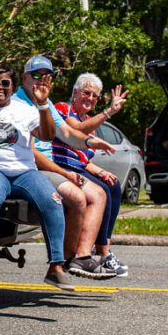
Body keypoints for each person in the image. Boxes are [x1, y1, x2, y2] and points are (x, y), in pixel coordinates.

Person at [0, 63, 77, 290]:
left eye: (5, 83)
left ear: (13, 86)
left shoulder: (26, 111)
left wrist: (42, 105)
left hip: (25, 173)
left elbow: (48, 136)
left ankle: (56, 267)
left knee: (53, 200)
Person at [12, 57, 118, 280]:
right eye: (36, 75)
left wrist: (90, 142)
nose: (42, 80)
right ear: (24, 78)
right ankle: (63, 261)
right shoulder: (17, 105)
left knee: (100, 193)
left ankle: (81, 256)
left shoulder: (46, 103)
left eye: (46, 76)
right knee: (77, 197)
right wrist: (65, 173)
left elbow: (69, 133)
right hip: (32, 168)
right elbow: (32, 153)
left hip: (50, 167)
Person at [52, 73, 129, 277]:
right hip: (60, 166)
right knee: (101, 191)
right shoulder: (62, 108)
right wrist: (109, 112)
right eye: (87, 93)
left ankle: (104, 251)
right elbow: (75, 130)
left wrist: (102, 171)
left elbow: (84, 162)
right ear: (75, 93)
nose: (91, 98)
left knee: (113, 185)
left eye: (95, 96)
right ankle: (86, 253)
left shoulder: (92, 127)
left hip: (77, 168)